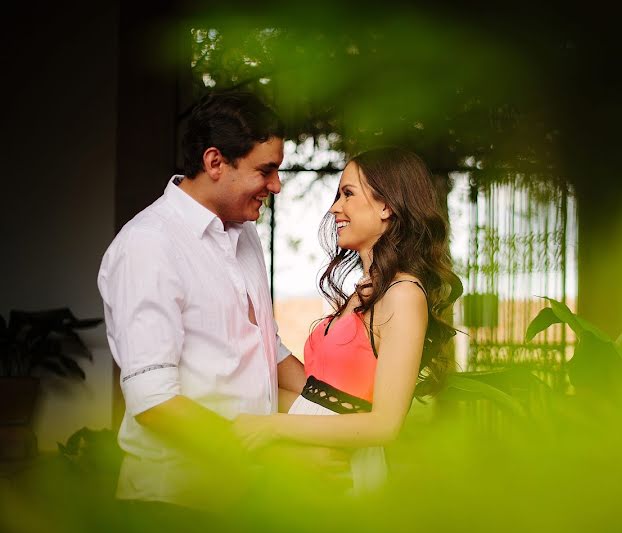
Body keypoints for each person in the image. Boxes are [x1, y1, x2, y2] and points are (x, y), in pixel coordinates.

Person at [98, 90, 344, 510]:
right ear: (215, 163)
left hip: (242, 498)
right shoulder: (148, 246)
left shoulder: (243, 233)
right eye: (265, 171)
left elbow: (268, 350)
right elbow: (154, 401)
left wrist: (346, 417)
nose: (277, 186)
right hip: (174, 505)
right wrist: (278, 455)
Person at [234, 147, 462, 491]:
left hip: (342, 470)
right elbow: (318, 393)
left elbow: (385, 424)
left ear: (386, 205)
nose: (335, 207)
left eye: (348, 194)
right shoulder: (365, 290)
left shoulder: (403, 294)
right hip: (306, 464)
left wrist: (273, 427)